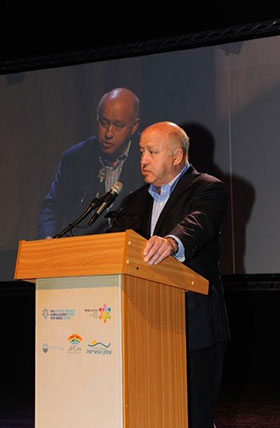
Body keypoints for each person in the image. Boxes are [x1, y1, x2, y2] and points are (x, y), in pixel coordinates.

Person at [108, 121, 231, 428]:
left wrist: (172, 242)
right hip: (145, 327)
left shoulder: (208, 188)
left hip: (194, 325)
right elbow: (112, 245)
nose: (143, 160)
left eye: (152, 151)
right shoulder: (134, 201)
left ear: (177, 156)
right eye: (141, 152)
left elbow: (198, 224)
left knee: (194, 416)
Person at [37, 87, 144, 239]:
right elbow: (54, 206)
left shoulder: (147, 157)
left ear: (133, 127)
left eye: (118, 125)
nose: (108, 133)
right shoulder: (75, 158)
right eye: (104, 123)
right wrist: (47, 238)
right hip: (85, 247)